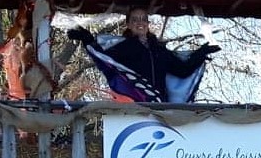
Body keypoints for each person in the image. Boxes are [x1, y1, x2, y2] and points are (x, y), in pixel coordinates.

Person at [67, 6, 220, 103]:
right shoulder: (124, 47)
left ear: (148, 23)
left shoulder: (159, 50)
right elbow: (105, 61)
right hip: (135, 104)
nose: (140, 23)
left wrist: (201, 53)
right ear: (128, 24)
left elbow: (182, 70)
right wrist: (87, 39)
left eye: (143, 19)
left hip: (160, 105)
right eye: (135, 20)